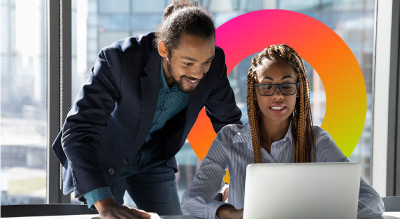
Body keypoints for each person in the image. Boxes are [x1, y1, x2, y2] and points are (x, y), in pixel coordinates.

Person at [51, 1, 242, 218]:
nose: (198, 73)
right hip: (105, 156)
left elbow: (229, 126)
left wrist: (239, 180)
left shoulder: (214, 66)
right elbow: (77, 130)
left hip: (154, 156)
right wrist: (105, 204)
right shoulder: (119, 60)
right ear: (163, 49)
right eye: (188, 63)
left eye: (205, 62)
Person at [181, 44, 385, 219]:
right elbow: (191, 200)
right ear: (254, 92)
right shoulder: (229, 139)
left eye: (287, 86)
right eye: (267, 86)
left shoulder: (316, 140)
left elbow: (371, 199)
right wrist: (230, 213)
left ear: (299, 91)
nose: (277, 95)